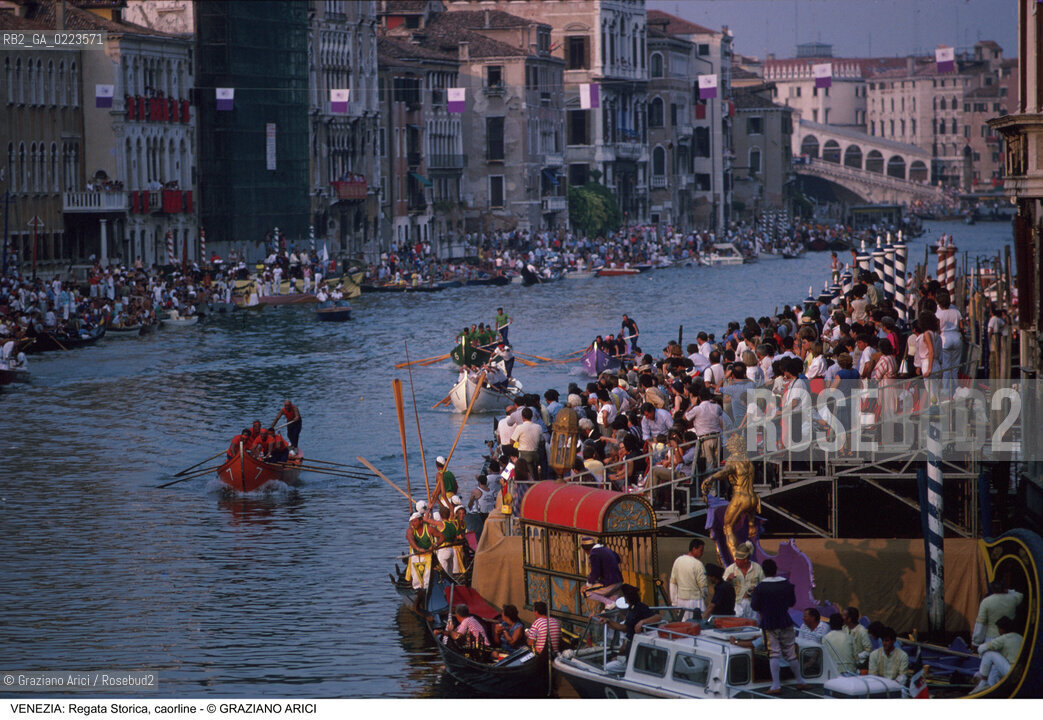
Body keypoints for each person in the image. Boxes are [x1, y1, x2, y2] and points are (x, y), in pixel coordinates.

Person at [745, 558, 805, 694]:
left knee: (774, 654)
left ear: (763, 571)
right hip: (785, 621)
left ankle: (776, 685)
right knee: (791, 652)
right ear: (776, 569)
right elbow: (792, 602)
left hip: (769, 623)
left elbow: (755, 606)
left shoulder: (760, 588)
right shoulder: (786, 584)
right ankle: (800, 681)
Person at [598, 584, 662, 673]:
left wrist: (642, 622)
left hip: (634, 651)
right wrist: (607, 621)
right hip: (632, 651)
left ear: (628, 598)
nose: (625, 600)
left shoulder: (640, 607)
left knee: (605, 669)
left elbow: (658, 617)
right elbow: (623, 627)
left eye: (625, 597)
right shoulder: (632, 609)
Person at [973, 615, 1022, 693]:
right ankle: (991, 687)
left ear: (1002, 629)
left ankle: (983, 680)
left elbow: (981, 648)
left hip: (1010, 670)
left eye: (999, 628)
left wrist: (981, 656)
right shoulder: (1020, 637)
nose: (998, 631)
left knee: (988, 654)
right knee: (994, 668)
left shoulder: (1005, 638)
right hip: (1019, 671)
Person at [669, 538, 708, 620]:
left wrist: (674, 603)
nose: (702, 553)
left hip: (681, 601)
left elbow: (673, 583)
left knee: (684, 626)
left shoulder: (678, 561)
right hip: (696, 602)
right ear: (694, 549)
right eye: (701, 550)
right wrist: (704, 597)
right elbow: (703, 587)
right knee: (699, 626)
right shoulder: (698, 564)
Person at [723, 541, 764, 617]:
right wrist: (728, 579)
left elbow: (763, 585)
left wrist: (756, 590)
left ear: (745, 559)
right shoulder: (730, 569)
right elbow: (722, 587)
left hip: (753, 604)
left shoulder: (757, 568)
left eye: (738, 559)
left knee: (753, 625)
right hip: (736, 604)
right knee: (738, 625)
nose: (736, 560)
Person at [581, 535, 624, 607]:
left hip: (609, 583)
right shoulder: (606, 549)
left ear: (586, 550)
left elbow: (595, 572)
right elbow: (618, 559)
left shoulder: (594, 554)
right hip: (619, 581)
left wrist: (588, 584)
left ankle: (609, 603)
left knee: (584, 592)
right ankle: (611, 604)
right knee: (611, 611)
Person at [510, 407, 543, 480]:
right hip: (536, 453)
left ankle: (530, 488)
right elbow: (541, 441)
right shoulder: (538, 427)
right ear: (532, 416)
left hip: (524, 454)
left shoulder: (520, 427)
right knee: (535, 472)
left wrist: (518, 443)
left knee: (528, 473)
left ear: (522, 417)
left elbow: (511, 441)